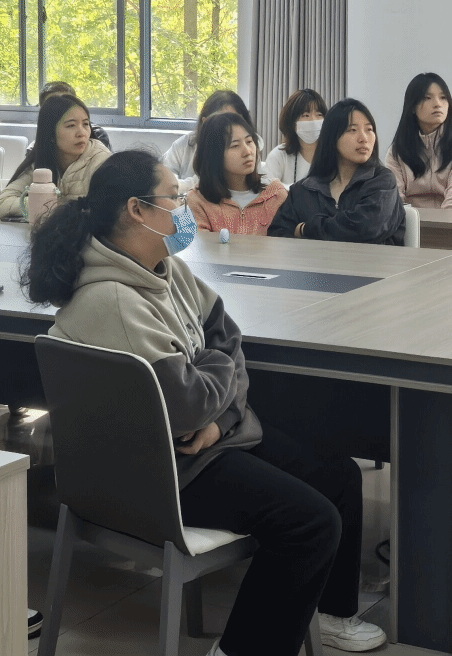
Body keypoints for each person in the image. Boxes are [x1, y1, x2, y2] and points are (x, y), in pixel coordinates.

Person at [26, 152, 388, 654]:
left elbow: (227, 338)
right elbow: (191, 403)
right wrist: (216, 379)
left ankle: (329, 614)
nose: (182, 210)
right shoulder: (113, 300)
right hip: (159, 473)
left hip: (203, 442)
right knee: (310, 522)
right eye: (173, 198)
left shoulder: (165, 268)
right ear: (137, 209)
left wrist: (223, 413)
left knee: (339, 477)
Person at [273, 100, 405, 245]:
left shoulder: (383, 181)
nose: (364, 138)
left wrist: (306, 229)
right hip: (314, 260)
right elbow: (278, 234)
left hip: (372, 260)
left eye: (369, 129)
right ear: (332, 137)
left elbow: (365, 229)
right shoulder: (303, 190)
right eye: (352, 130)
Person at [0, 91, 110, 221]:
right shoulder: (43, 162)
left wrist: (50, 207)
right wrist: (43, 203)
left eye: (85, 124)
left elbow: (108, 212)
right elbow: (2, 204)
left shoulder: (101, 161)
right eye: (71, 125)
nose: (82, 133)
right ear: (50, 134)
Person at [187, 110, 286, 235]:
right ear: (214, 155)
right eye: (235, 146)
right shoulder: (197, 201)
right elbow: (191, 245)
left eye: (249, 141)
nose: (248, 152)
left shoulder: (276, 194)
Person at [387, 72, 452, 210]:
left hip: (451, 220)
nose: (438, 104)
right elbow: (395, 200)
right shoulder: (396, 151)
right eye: (427, 98)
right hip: (411, 221)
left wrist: (443, 223)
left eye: (443, 97)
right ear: (412, 107)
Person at [162, 89, 253, 181]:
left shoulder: (252, 145)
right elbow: (164, 179)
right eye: (223, 121)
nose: (248, 152)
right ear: (205, 122)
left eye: (237, 120)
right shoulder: (184, 145)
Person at [262, 89, 326, 187]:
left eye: (319, 115)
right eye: (306, 115)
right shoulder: (279, 156)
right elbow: (267, 190)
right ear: (292, 122)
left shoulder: (334, 155)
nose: (313, 120)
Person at [37, 80, 104, 148]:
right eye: (53, 105)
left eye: (68, 104)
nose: (61, 109)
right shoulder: (37, 146)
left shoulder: (98, 135)